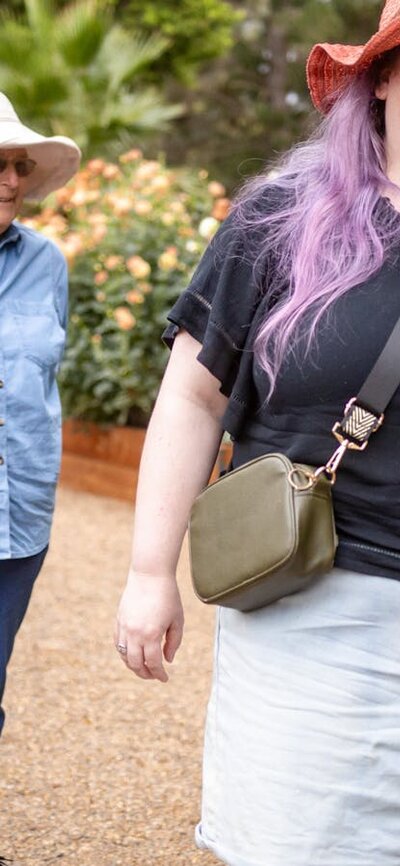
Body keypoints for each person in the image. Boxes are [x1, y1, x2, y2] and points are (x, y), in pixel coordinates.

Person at [115, 1, 400, 863]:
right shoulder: (286, 220)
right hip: (316, 625)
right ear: (383, 77)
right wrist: (147, 572)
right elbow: (194, 400)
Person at [0, 94, 80, 744]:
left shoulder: (46, 264)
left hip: (19, 516)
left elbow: (44, 377)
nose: (10, 181)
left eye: (19, 166)